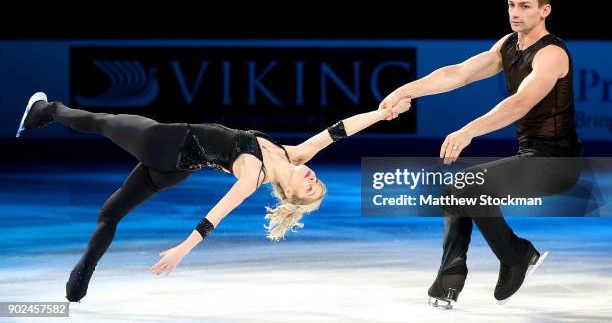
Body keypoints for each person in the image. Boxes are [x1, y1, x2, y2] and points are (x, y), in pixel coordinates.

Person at [16, 91, 412, 302]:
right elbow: (339, 130)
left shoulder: (251, 174)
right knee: (110, 213)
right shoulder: (295, 155)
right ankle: (81, 276)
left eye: (309, 188)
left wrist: (181, 250)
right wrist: (381, 114)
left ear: (289, 193)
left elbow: (216, 214)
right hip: (175, 172)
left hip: (164, 143)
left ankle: (47, 110)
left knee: (102, 122)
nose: (312, 177)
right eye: (316, 181)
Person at [380, 0, 583, 308]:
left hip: (558, 162)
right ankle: (452, 275)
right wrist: (405, 90)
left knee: (465, 187)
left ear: (545, 10)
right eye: (511, 4)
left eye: (525, 6)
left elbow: (520, 102)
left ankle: (515, 255)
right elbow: (459, 73)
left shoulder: (553, 54)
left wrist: (468, 130)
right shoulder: (507, 45)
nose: (515, 13)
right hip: (530, 154)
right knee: (458, 188)